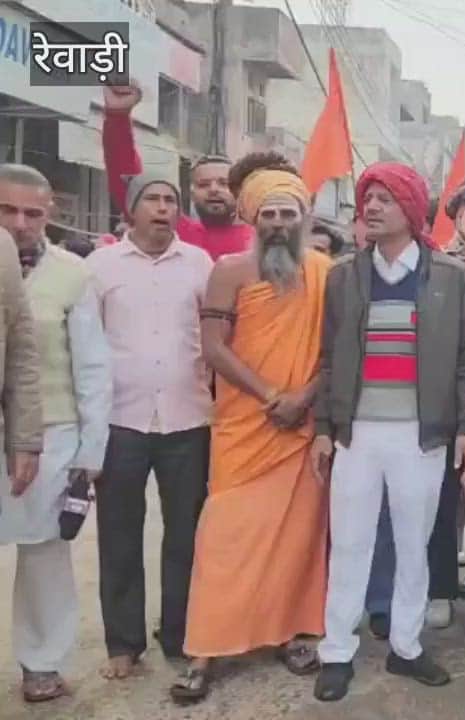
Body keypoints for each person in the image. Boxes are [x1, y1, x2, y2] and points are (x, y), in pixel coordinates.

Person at [311, 161, 465, 702]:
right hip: (356, 434)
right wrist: (322, 427)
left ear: (410, 208)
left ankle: (406, 647)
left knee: (415, 543)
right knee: (351, 543)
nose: (373, 207)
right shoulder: (344, 276)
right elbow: (327, 359)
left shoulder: (452, 278)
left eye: (385, 198)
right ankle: (336, 652)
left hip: (420, 435)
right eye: (369, 198)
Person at [170, 169, 332, 703]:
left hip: (300, 428)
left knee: (295, 539)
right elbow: (214, 347)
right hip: (245, 426)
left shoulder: (325, 273)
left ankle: (288, 633)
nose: (281, 224)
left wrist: (303, 398)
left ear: (303, 219)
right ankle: (205, 649)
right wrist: (270, 395)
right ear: (253, 219)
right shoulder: (230, 271)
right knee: (224, 537)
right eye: (270, 214)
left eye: (289, 214)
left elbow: (336, 351)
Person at [87, 172, 214, 680]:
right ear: (133, 209)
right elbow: (85, 344)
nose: (162, 208)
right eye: (153, 200)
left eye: (170, 201)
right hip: (121, 420)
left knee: (186, 535)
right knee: (119, 533)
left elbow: (216, 332)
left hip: (189, 418)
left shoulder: (200, 265)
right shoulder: (100, 266)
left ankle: (181, 634)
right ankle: (123, 642)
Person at [0, 166, 109, 704]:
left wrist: (90, 452)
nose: (20, 223)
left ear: (51, 215)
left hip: (50, 435)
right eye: (6, 211)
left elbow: (91, 368)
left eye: (32, 213)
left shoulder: (72, 273)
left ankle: (42, 664)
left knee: (44, 554)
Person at [101, 82, 252, 260]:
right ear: (192, 192)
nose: (213, 189)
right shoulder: (173, 230)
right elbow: (129, 185)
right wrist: (118, 116)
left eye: (223, 183)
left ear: (240, 191)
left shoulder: (259, 239)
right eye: (203, 184)